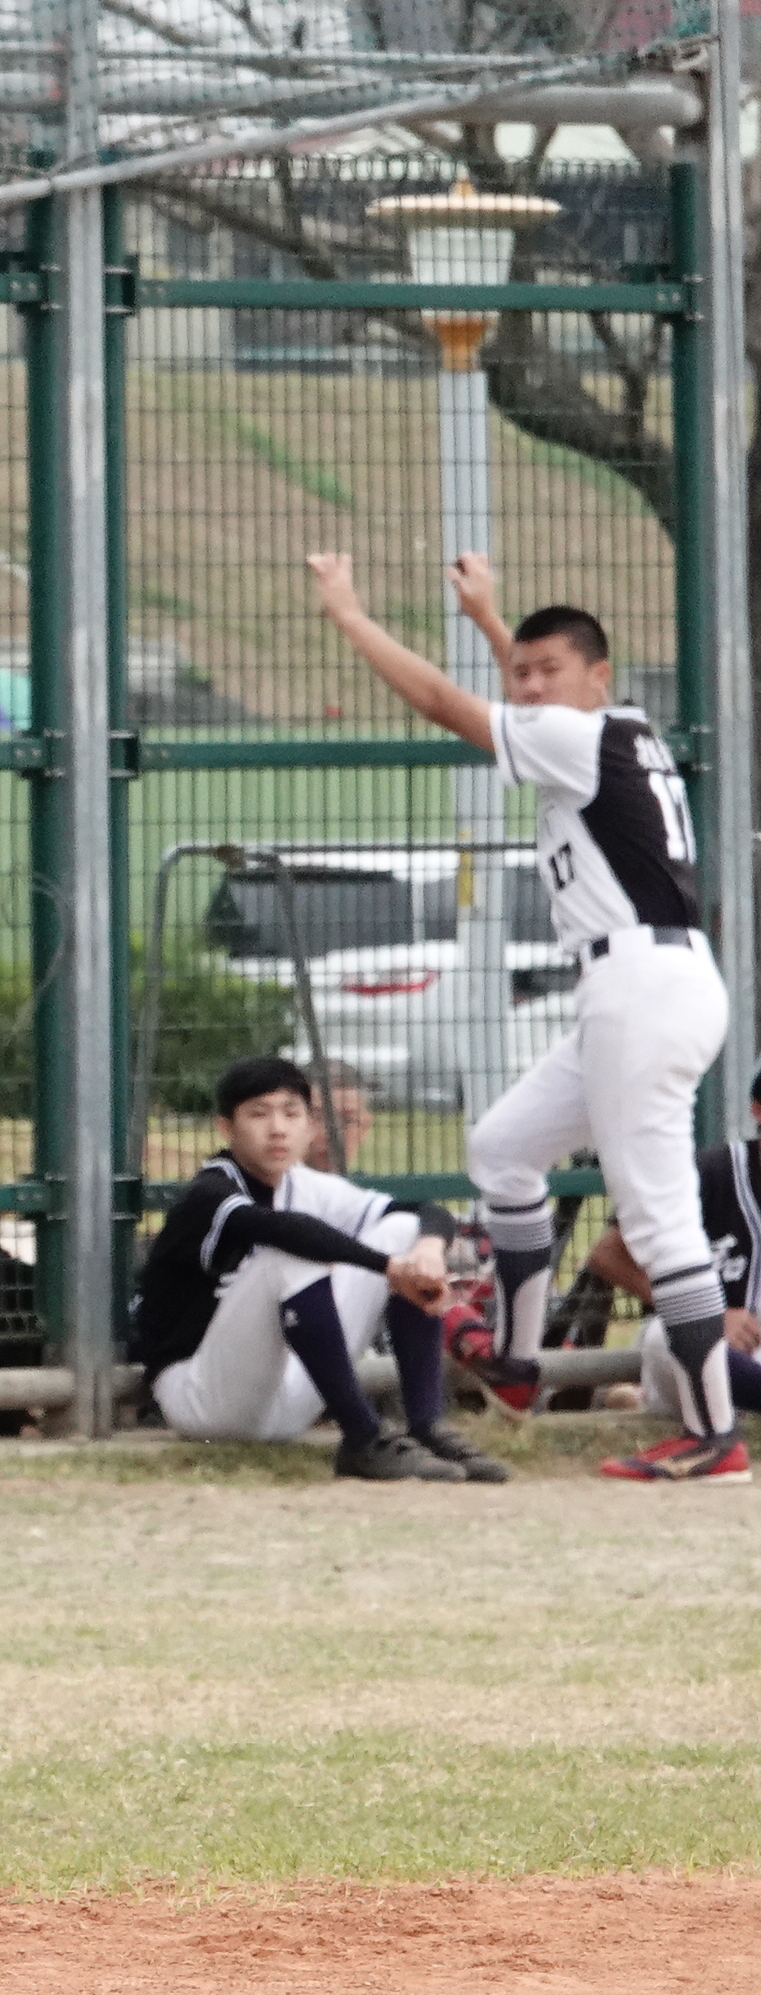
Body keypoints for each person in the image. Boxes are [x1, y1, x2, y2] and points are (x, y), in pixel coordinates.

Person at [310, 552, 737, 1483]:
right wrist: (488, 621)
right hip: (639, 985)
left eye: (552, 670)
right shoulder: (607, 731)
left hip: (642, 988)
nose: (531, 685)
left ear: (600, 677)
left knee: (659, 1217)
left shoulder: (580, 737)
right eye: (523, 671)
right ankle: (516, 1364)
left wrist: (349, 614)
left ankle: (713, 1436)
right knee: (503, 1149)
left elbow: (442, 704)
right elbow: (534, 700)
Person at [129, 1055, 499, 1482]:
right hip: (202, 1397)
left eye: (291, 1113)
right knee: (286, 1257)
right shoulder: (210, 1190)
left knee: (402, 1230)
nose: (277, 1129)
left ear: (309, 1125)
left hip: (288, 1402)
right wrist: (387, 1267)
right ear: (226, 1128)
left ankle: (426, 1426)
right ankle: (363, 1437)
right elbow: (285, 1231)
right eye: (259, 1114)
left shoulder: (305, 1185)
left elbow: (425, 1211)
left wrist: (428, 1249)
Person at [580, 1072, 761, 1428]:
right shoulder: (707, 1172)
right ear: (757, 1110)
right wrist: (710, 1314)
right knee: (667, 1336)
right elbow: (606, 1254)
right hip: (701, 1345)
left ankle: (636, 1396)